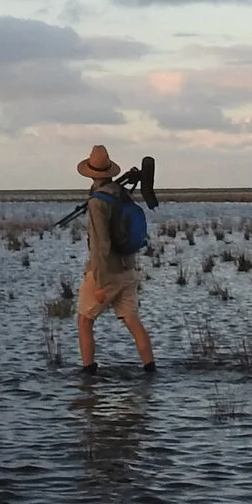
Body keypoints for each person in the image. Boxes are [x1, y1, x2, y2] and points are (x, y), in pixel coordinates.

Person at [75, 144, 155, 374]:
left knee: (84, 320)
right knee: (132, 319)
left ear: (90, 173)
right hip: (128, 268)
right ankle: (150, 369)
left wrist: (100, 283)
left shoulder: (97, 202)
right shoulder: (123, 193)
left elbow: (101, 245)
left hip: (106, 272)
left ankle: (88, 374)